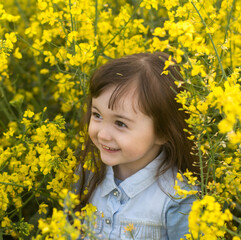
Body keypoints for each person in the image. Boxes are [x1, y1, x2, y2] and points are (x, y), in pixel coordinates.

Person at [76, 52, 198, 240]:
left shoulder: (178, 198)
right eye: (97, 115)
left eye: (120, 124)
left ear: (163, 132)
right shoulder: (87, 173)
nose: (102, 134)